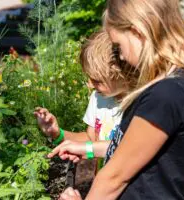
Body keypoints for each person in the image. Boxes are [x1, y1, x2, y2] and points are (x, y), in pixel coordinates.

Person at [48, 0, 184, 199]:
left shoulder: (164, 95)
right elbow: (135, 148)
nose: (121, 57)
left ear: (137, 32)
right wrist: (88, 148)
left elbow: (114, 178)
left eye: (118, 46)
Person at [34, 30, 134, 163]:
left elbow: (131, 149)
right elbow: (90, 139)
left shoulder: (139, 105)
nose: (90, 85)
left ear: (122, 75)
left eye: (97, 81)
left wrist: (88, 149)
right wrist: (58, 134)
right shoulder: (98, 98)